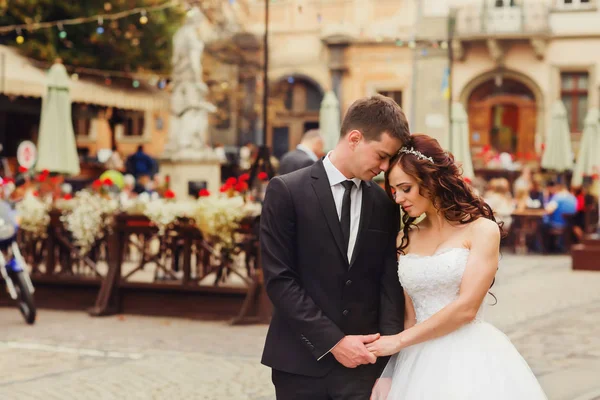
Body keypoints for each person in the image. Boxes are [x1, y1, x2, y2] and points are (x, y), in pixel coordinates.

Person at [369, 134, 547, 399]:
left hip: (469, 358)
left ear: (430, 181)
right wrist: (392, 371)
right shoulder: (405, 238)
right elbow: (409, 315)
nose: (398, 199)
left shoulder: (482, 231)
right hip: (415, 360)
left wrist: (397, 341)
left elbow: (466, 308)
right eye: (394, 191)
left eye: (405, 188)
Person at [260, 95, 410, 399]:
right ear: (355, 138)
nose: (384, 168)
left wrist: (388, 367)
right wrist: (335, 342)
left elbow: (388, 284)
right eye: (381, 155)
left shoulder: (384, 203)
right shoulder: (287, 190)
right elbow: (280, 280)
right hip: (299, 362)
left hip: (364, 367)